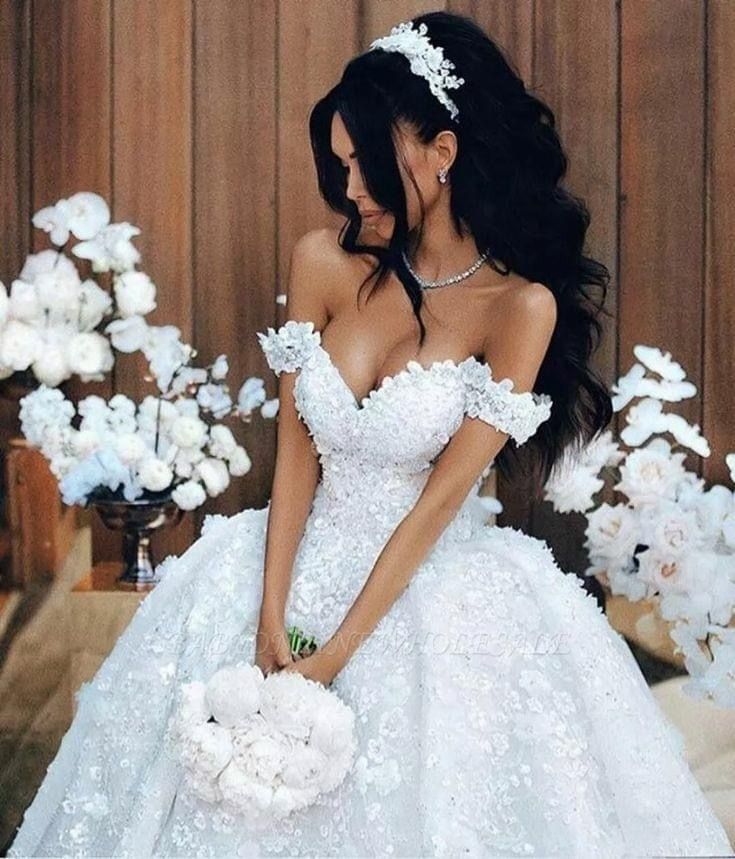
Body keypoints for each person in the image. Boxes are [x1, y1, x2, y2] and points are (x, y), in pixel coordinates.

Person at [8, 11, 732, 859]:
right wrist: (269, 612)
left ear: (441, 152)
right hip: (291, 552)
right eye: (341, 165)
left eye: (366, 163)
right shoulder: (322, 260)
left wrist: (339, 651)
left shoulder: (518, 309)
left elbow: (437, 503)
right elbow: (295, 455)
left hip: (425, 576)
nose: (349, 188)